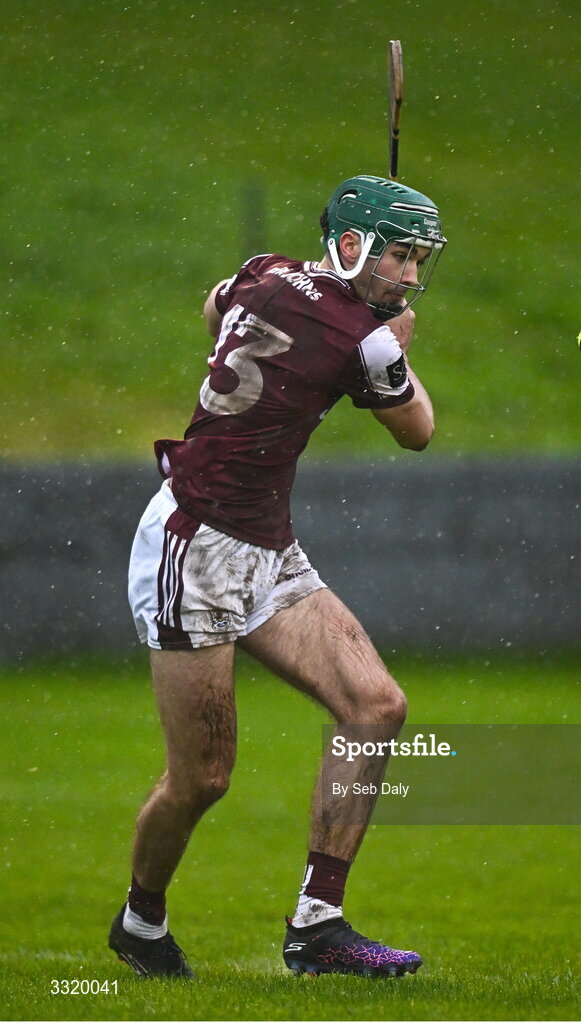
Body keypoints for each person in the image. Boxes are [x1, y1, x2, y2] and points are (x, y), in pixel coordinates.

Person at [108, 174, 447, 979]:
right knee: (203, 780)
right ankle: (139, 920)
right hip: (195, 548)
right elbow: (419, 433)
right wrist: (394, 344)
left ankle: (317, 926)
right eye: (397, 255)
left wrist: (355, 325)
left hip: (265, 544)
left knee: (376, 706)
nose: (407, 274)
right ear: (353, 243)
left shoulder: (266, 269)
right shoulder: (364, 341)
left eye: (416, 259)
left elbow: (216, 302)